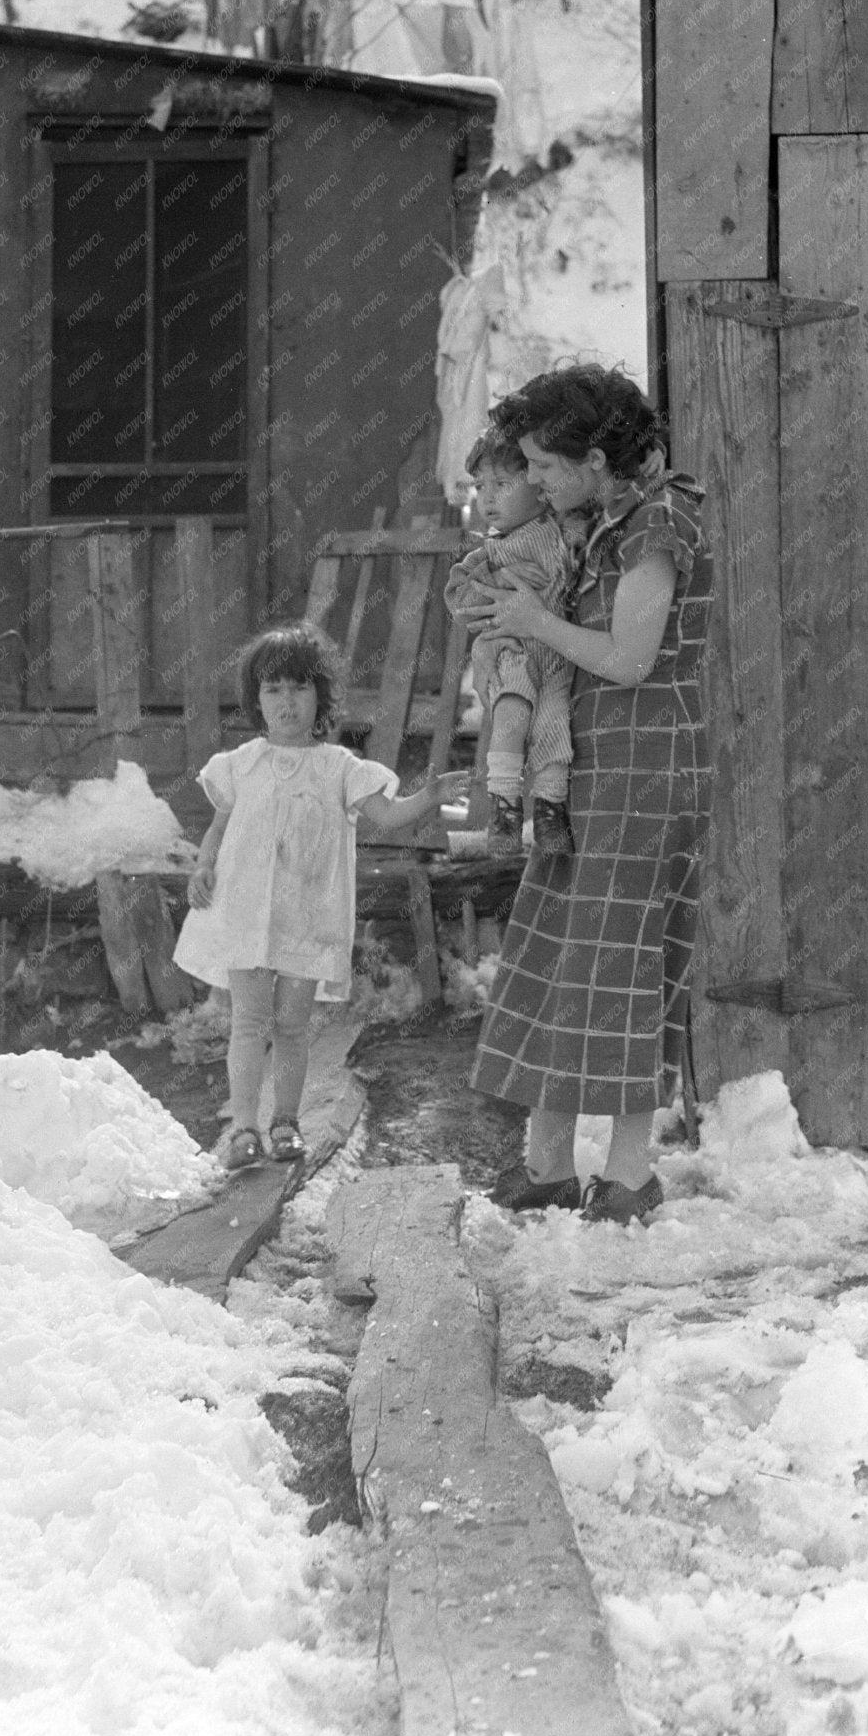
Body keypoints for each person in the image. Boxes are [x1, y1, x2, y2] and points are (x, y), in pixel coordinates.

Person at [455, 364, 712, 1227]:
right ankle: (547, 1165)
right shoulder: (598, 520)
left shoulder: (659, 522)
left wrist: (533, 624)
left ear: (595, 460)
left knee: (622, 964)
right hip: (591, 767)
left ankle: (630, 1175)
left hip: (647, 773)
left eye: (544, 465)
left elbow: (631, 659)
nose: (533, 480)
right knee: (561, 951)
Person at [173, 622, 471, 1170]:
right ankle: (243, 1128)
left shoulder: (340, 769)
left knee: (291, 1024)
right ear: (256, 700)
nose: (287, 703)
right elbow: (219, 824)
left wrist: (430, 795)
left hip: (306, 918)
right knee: (248, 1021)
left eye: (299, 688)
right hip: (246, 913)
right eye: (273, 690)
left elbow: (389, 815)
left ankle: (286, 1122)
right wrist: (204, 865)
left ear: (321, 697)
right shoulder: (241, 765)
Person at [445, 426, 580, 857]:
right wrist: (488, 591)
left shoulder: (562, 530)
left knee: (555, 726)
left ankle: (549, 811)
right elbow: (462, 602)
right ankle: (504, 806)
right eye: (480, 486)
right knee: (511, 718)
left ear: (540, 486)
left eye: (502, 484)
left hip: (558, 654)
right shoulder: (488, 551)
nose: (487, 499)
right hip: (514, 654)